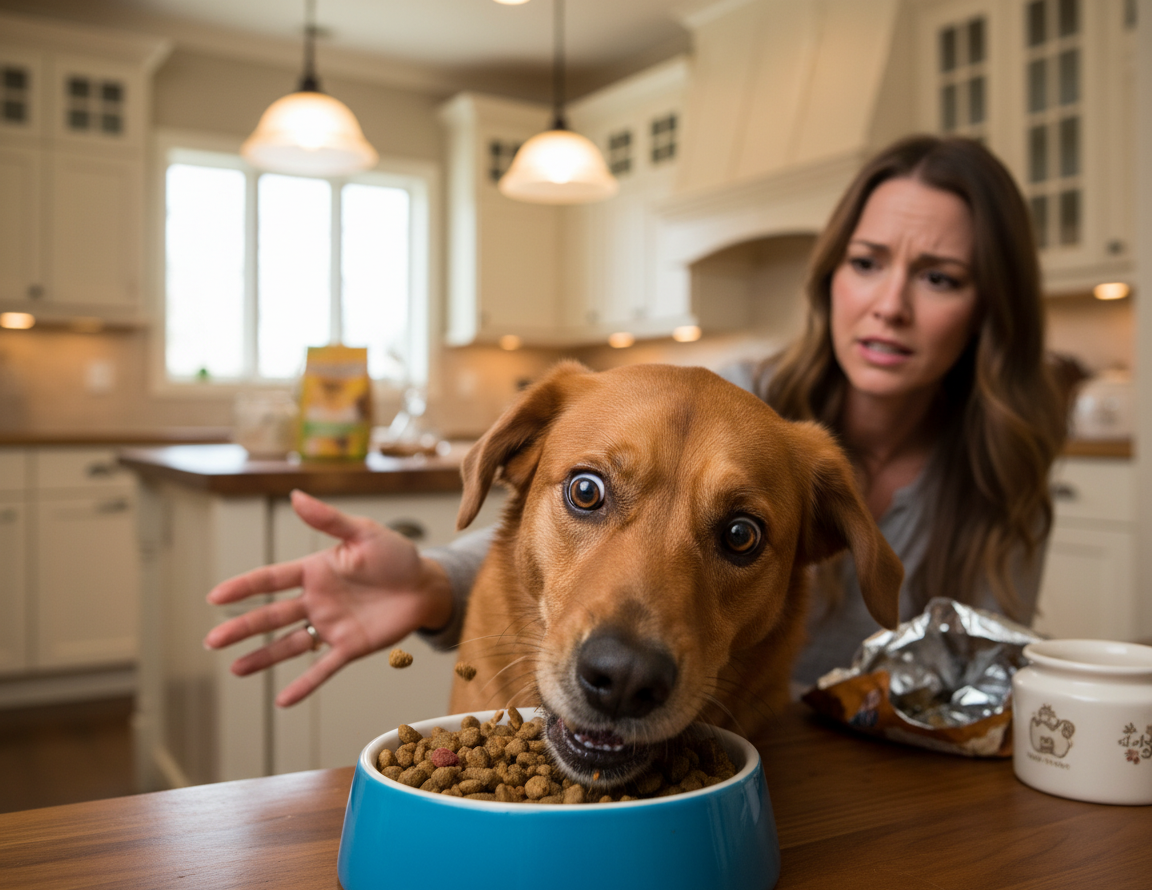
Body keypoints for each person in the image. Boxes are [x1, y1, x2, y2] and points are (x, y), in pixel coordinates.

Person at [203, 134, 1066, 703]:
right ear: (831, 275)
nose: (889, 306)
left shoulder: (1000, 482)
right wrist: (432, 578)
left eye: (940, 277)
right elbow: (552, 517)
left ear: (991, 308)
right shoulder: (712, 402)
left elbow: (980, 690)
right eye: (867, 262)